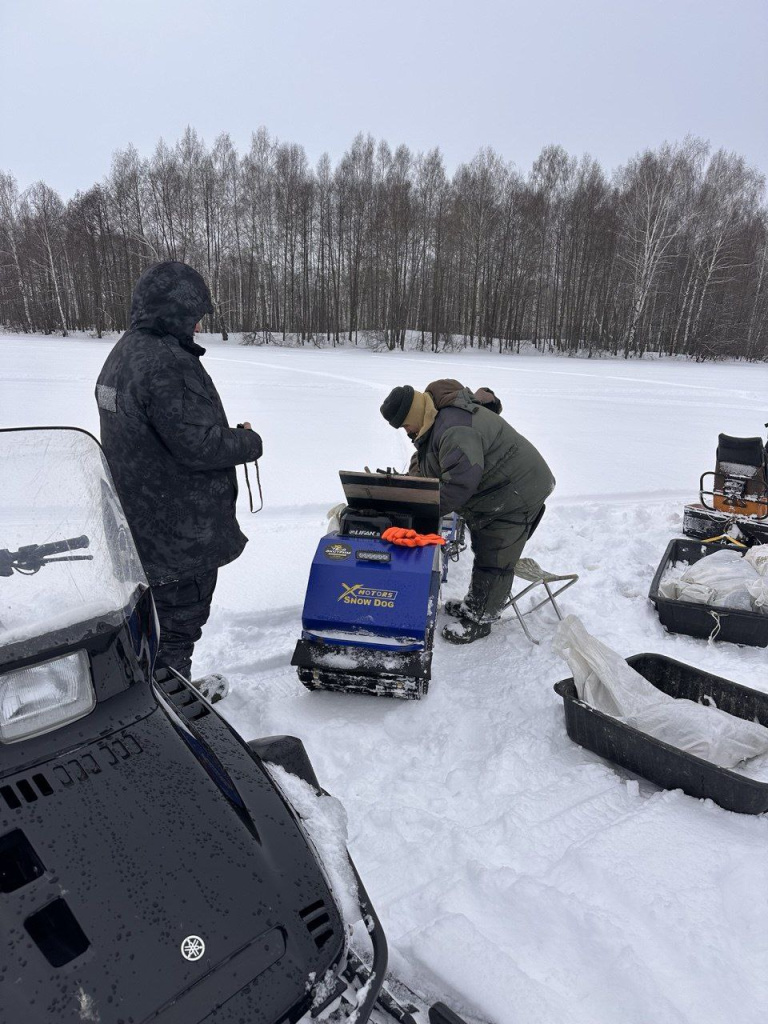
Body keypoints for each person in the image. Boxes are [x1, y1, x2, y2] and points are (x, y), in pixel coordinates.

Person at [95, 260, 262, 680]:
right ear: (174, 312)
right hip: (178, 535)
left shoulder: (124, 352)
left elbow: (161, 431)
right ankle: (172, 710)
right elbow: (197, 444)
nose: (199, 327)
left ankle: (156, 691)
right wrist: (248, 441)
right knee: (176, 628)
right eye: (194, 317)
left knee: (149, 625)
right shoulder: (168, 361)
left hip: (139, 528)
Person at [380, 378, 555, 644]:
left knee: (495, 553)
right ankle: (473, 604)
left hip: (516, 490)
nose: (406, 431)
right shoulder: (434, 415)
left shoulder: (454, 429)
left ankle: (480, 619)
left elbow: (459, 484)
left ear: (413, 414)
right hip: (497, 485)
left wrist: (423, 511)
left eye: (405, 424)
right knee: (485, 548)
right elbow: (430, 457)